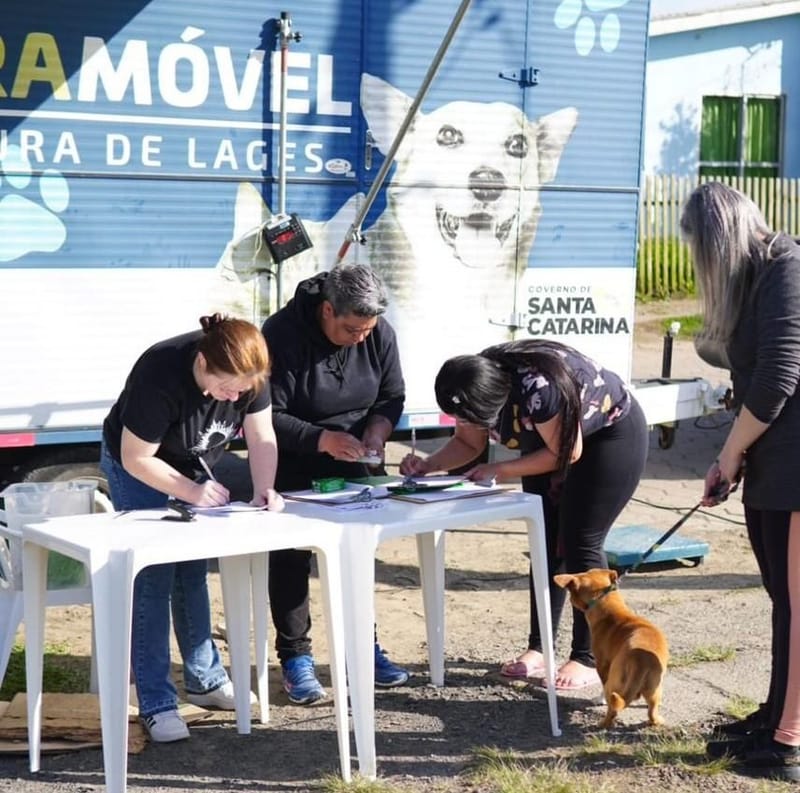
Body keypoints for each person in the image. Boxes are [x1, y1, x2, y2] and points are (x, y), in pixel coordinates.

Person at [400, 339, 648, 691]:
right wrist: (429, 465)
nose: (465, 423)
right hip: (549, 441)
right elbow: (469, 444)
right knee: (544, 540)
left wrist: (498, 469)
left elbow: (566, 453)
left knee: (580, 541)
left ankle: (589, 656)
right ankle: (540, 647)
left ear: (495, 402)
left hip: (609, 435)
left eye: (472, 418)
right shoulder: (472, 384)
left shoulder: (539, 389)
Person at [100, 314, 284, 743]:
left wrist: (265, 488)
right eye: (226, 387)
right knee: (152, 574)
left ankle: (204, 677)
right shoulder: (160, 371)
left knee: (192, 569)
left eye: (242, 389)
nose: (234, 396)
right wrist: (190, 490)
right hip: (138, 464)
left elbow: (261, 436)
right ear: (202, 362)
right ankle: (157, 701)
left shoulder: (249, 374)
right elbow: (135, 458)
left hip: (190, 463)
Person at [680, 183, 800, 782]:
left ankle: (790, 744)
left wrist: (728, 454)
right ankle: (776, 712)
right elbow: (753, 381)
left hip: (796, 463)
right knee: (783, 601)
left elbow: (780, 376)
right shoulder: (754, 277)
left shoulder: (787, 265)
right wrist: (736, 458)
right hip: (773, 459)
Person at [261, 264, 410, 704]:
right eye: (350, 329)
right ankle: (295, 659)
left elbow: (392, 394)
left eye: (367, 329)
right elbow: (265, 415)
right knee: (290, 559)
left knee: (356, 551)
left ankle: (362, 647)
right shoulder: (282, 334)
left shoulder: (378, 331)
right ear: (327, 310)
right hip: (290, 454)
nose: (360, 337)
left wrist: (378, 430)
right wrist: (321, 439)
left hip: (353, 452)